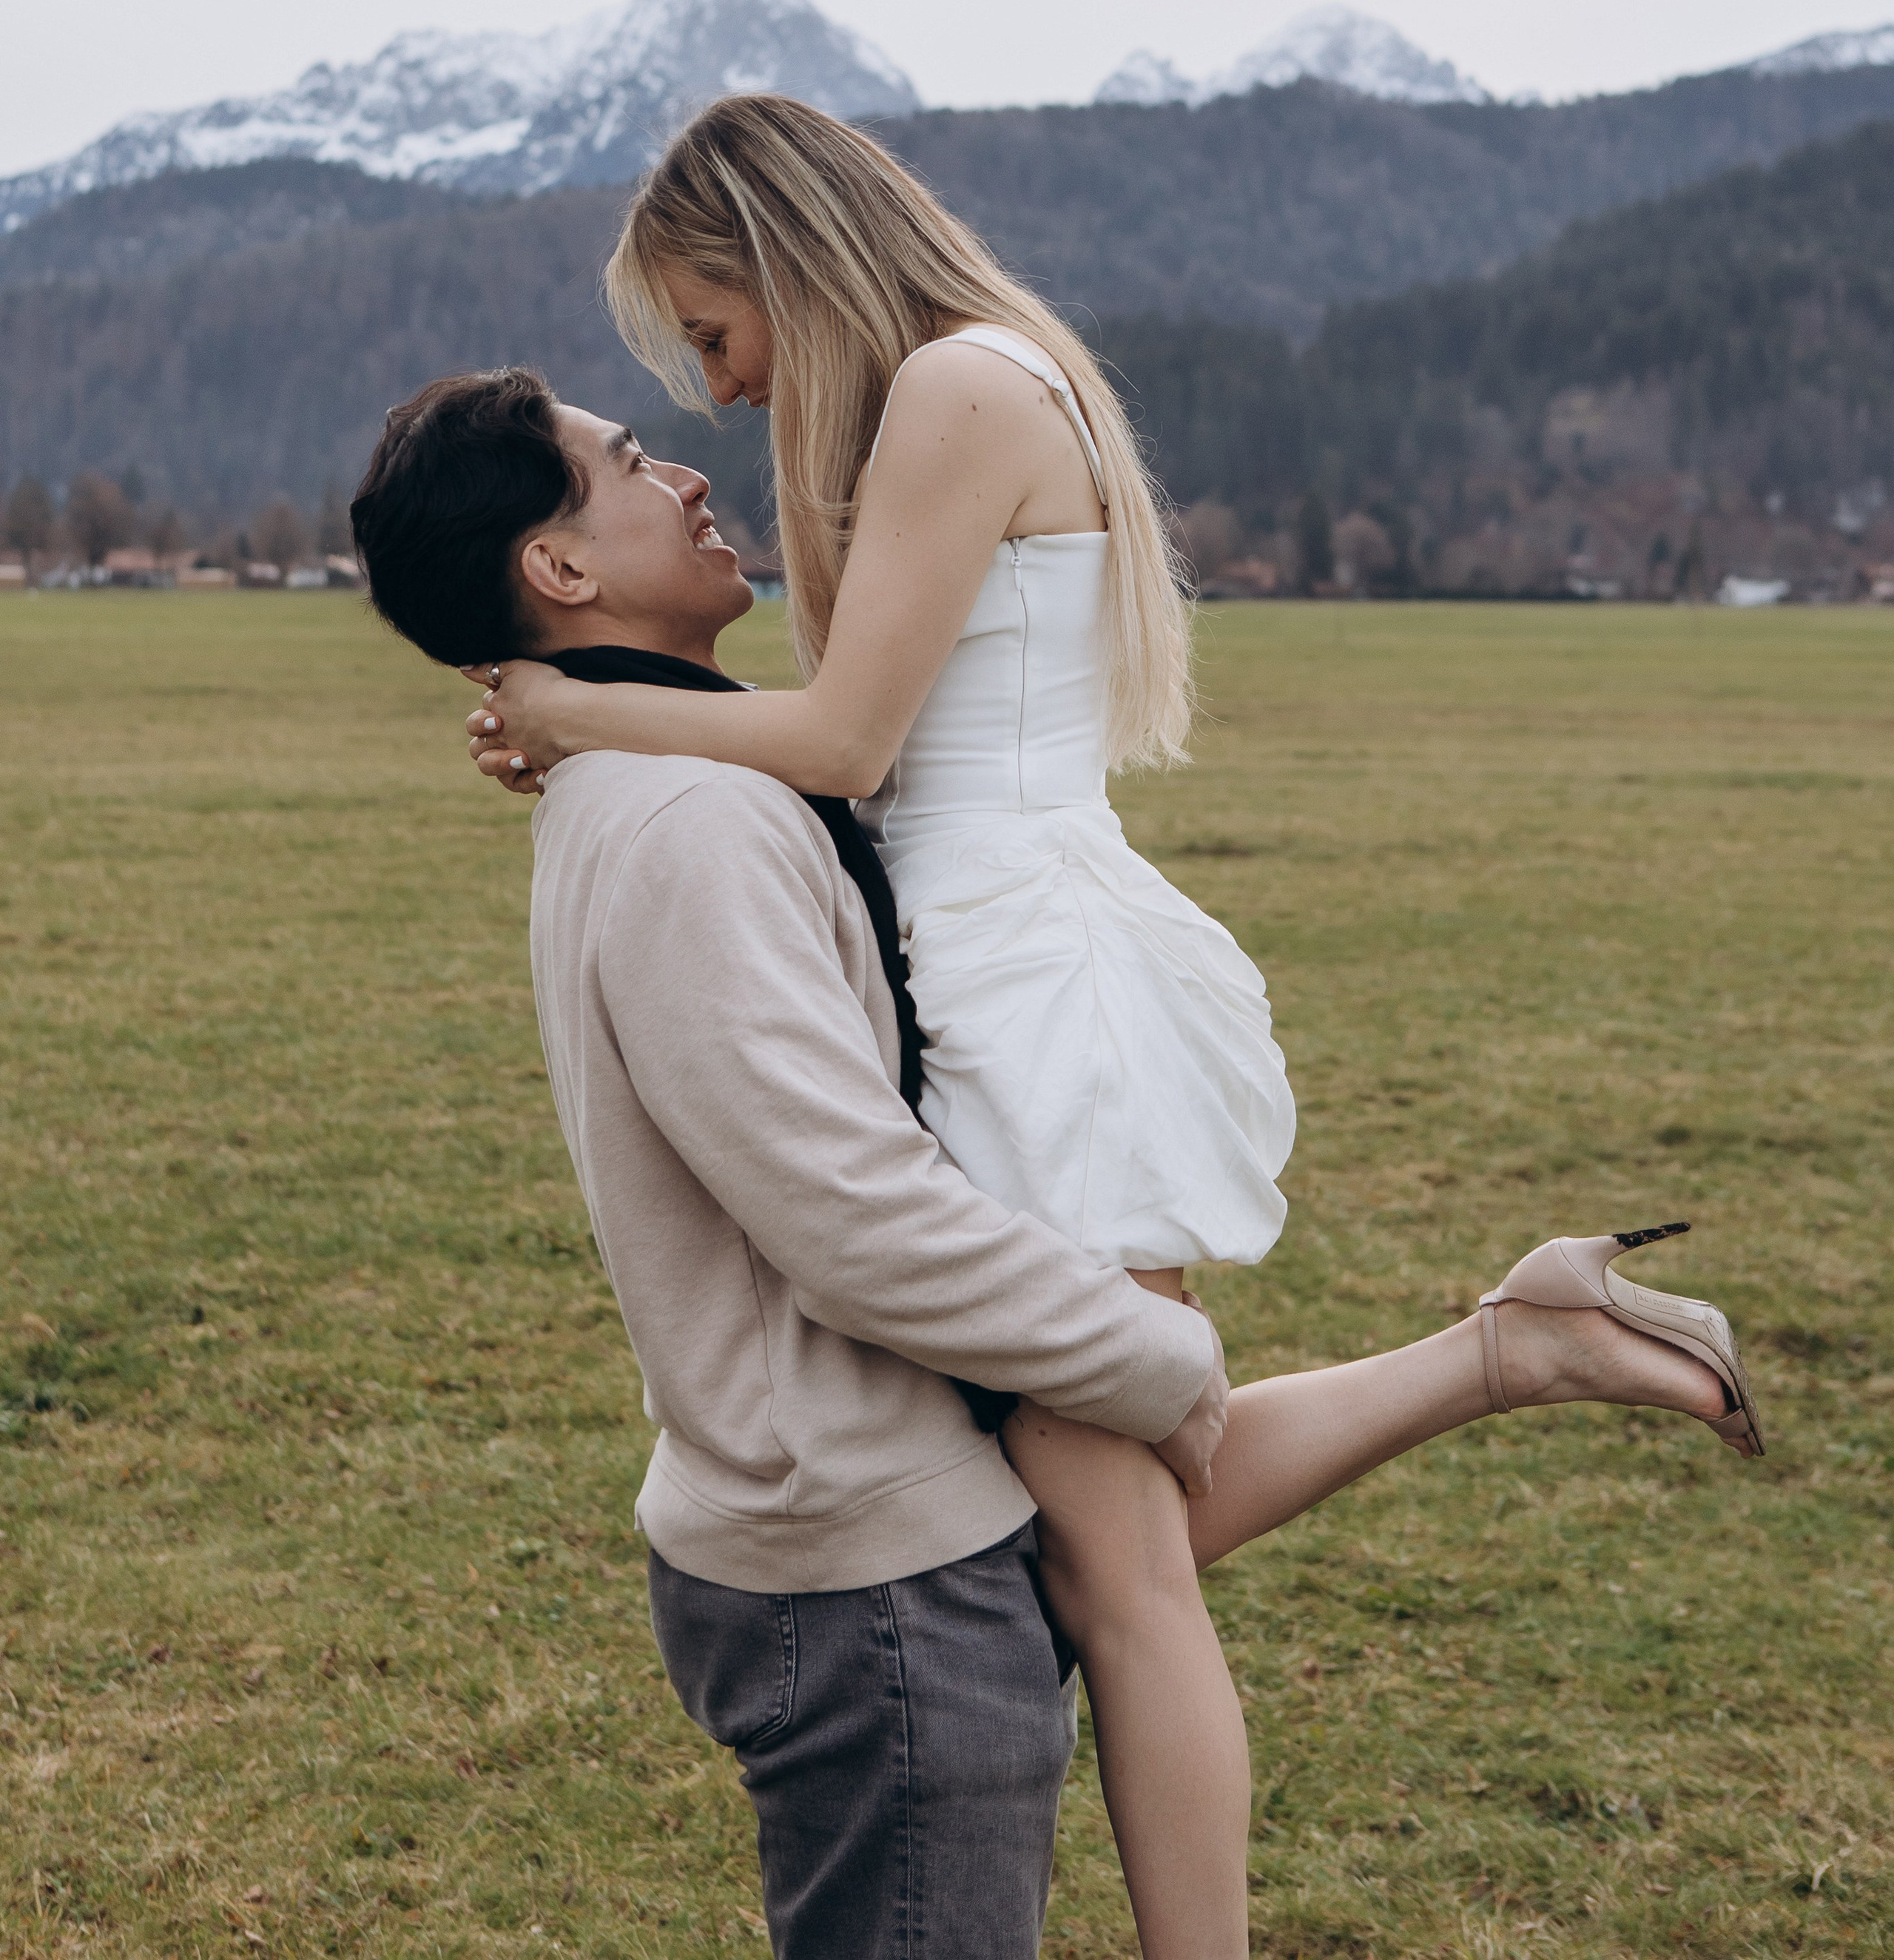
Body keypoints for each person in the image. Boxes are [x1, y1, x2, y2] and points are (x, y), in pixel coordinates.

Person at [459, 100, 1763, 1960]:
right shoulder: (931, 402)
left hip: (1025, 989)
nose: (725, 398)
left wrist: (586, 712)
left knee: (1122, 1566)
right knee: (1096, 1534)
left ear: (782, 256)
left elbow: (840, 748)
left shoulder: (957, 396)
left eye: (716, 338)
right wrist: (599, 711)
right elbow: (847, 736)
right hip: (974, 969)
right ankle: (1521, 1341)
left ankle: (1513, 1358)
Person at [350, 366, 1231, 1960]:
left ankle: (1525, 1341)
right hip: (870, 1601)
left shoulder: (686, 779)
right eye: (623, 463)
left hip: (852, 1538)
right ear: (559, 571)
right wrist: (1153, 1354)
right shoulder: (689, 821)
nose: (686, 474)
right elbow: (854, 1217)